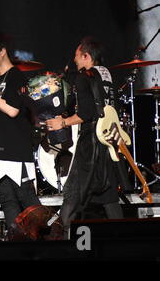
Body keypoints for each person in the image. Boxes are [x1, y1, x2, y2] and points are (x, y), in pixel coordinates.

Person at [46, 36, 129, 238]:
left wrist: (62, 122)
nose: (74, 60)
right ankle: (125, 241)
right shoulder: (107, 74)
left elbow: (85, 114)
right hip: (106, 142)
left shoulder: (83, 77)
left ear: (86, 56)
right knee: (109, 196)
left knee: (72, 194)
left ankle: (57, 242)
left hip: (90, 144)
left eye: (77, 56)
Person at [0, 28, 41, 239]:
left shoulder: (16, 77)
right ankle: (17, 241)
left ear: (1, 51)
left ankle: (52, 235)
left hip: (15, 149)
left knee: (26, 198)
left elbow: (13, 110)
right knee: (7, 200)